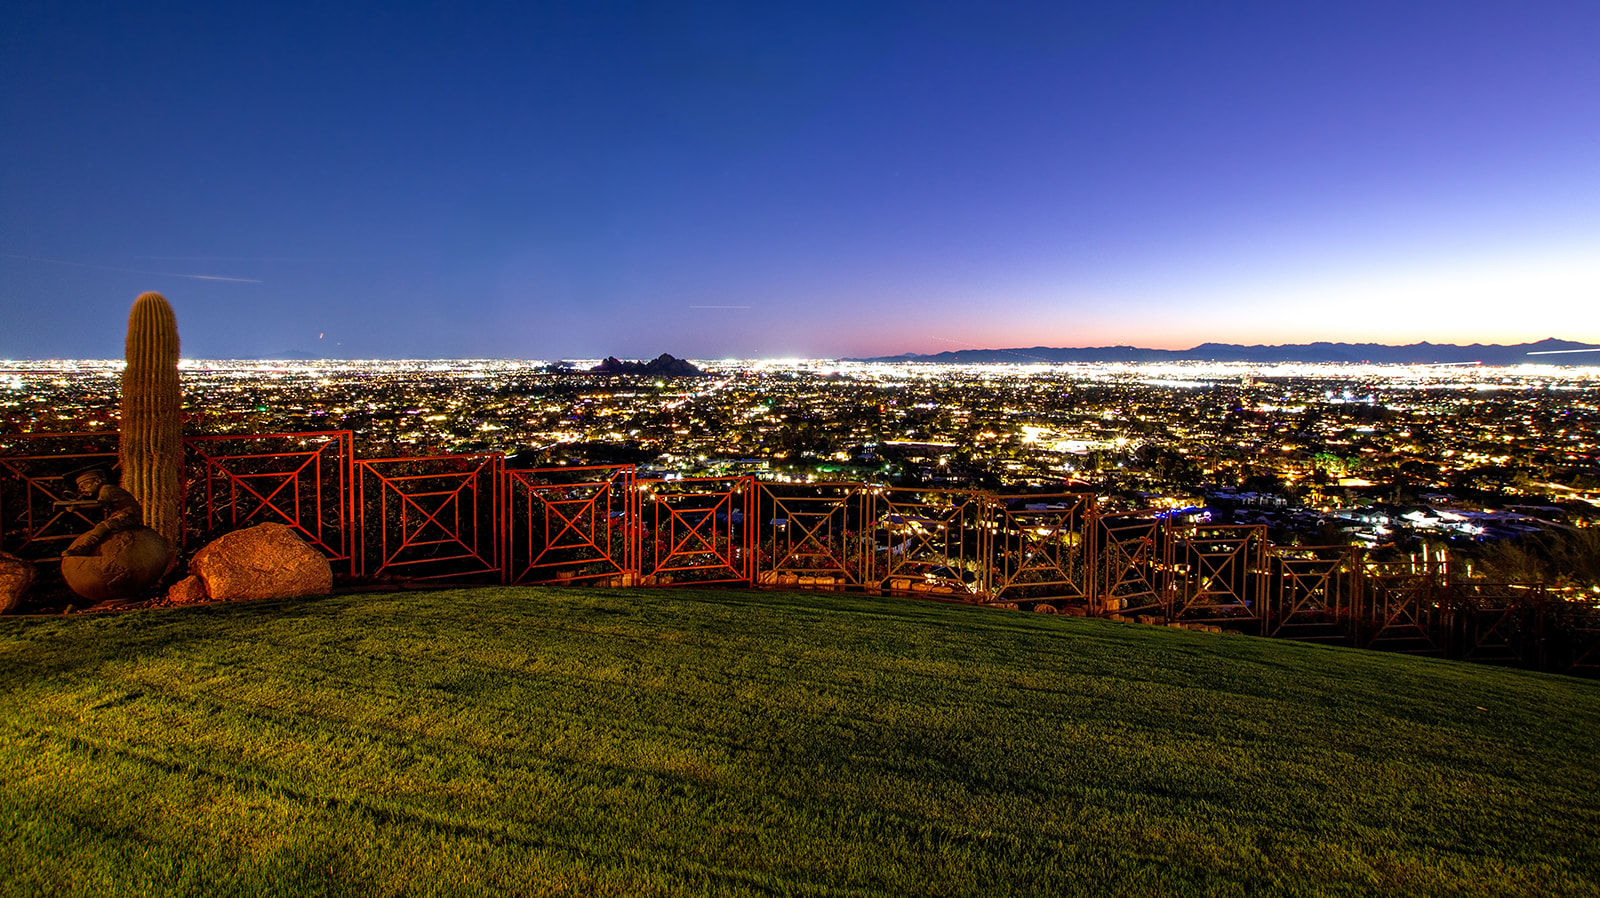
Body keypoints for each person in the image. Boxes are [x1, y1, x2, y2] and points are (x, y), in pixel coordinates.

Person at [60, 466, 143, 556]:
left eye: (85, 485)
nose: (83, 490)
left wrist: (78, 507)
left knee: (102, 527)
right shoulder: (104, 490)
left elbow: (99, 504)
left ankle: (84, 548)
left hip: (129, 515)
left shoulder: (106, 489)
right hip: (123, 514)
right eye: (81, 488)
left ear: (97, 481)